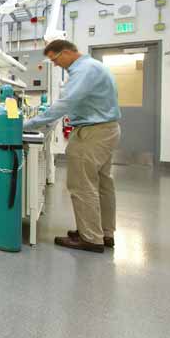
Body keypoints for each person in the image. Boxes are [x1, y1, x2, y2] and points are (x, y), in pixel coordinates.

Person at [24, 40, 121, 253]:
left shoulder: (84, 70)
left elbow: (65, 103)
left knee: (82, 185)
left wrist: (28, 124)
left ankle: (90, 238)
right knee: (103, 184)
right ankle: (104, 232)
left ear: (67, 52)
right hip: (106, 129)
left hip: (92, 133)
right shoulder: (94, 67)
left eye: (56, 59)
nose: (56, 65)